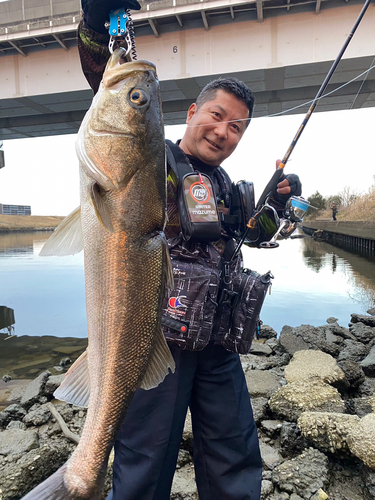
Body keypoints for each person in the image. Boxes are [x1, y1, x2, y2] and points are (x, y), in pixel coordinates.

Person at [77, 2, 302, 499]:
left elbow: (256, 232)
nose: (223, 132)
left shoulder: (229, 186)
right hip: (157, 341)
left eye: (237, 127)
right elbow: (112, 96)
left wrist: (279, 203)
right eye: (217, 116)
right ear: (192, 112)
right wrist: (96, 27)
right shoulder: (151, 161)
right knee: (143, 466)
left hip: (220, 345)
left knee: (235, 455)